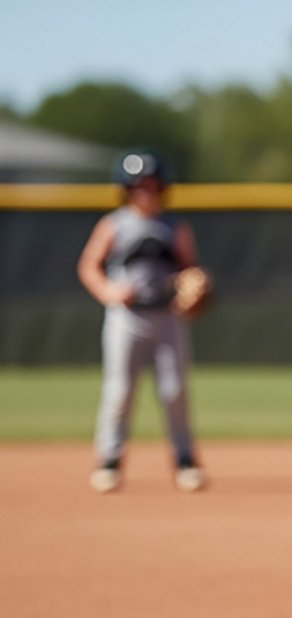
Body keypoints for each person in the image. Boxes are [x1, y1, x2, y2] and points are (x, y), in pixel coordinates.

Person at [77, 150, 207, 493]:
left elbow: (189, 267)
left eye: (152, 186)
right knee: (119, 391)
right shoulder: (114, 224)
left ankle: (185, 461)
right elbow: (89, 265)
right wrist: (108, 291)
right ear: (127, 189)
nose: (146, 193)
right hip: (127, 317)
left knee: (175, 390)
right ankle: (109, 461)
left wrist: (195, 283)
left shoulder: (174, 227)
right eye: (139, 187)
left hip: (168, 318)